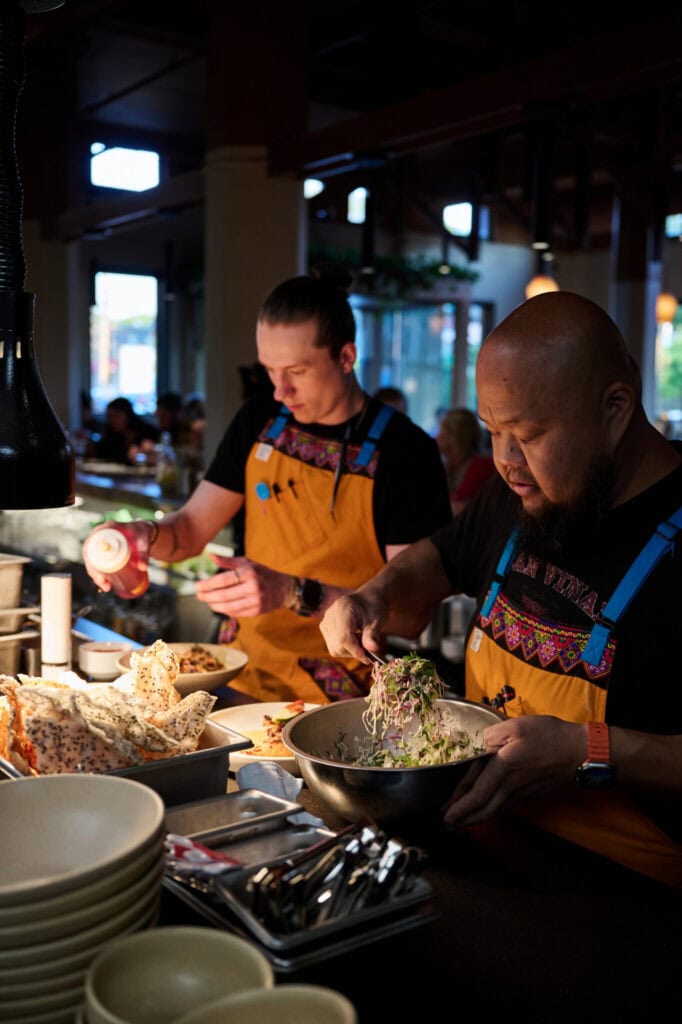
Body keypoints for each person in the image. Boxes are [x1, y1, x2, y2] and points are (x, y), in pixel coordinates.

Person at [319, 290, 682, 889]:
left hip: (633, 896)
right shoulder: (518, 494)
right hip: (491, 851)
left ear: (616, 408)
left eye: (529, 434)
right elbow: (436, 561)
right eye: (491, 430)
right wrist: (374, 594)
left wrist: (586, 749)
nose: (507, 462)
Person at [82, 268, 452, 703]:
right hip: (236, 672)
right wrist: (144, 535)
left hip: (344, 696)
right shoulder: (261, 418)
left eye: (296, 371)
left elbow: (411, 614)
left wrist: (294, 592)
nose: (281, 391)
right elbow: (187, 534)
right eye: (271, 372)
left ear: (347, 357)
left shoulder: (405, 452)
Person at [436, 407, 496, 514]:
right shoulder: (449, 466)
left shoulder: (482, 466)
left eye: (442, 431)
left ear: (455, 437)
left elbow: (454, 508)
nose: (437, 437)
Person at [93, 397, 159, 465]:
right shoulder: (110, 437)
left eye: (117, 416)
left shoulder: (148, 432)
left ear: (128, 415)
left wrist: (146, 453)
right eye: (110, 417)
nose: (113, 420)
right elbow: (103, 455)